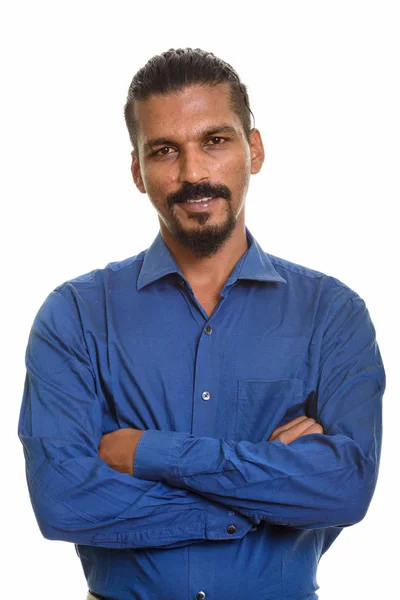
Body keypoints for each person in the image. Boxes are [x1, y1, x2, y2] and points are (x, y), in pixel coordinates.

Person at [18, 47, 385, 600]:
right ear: (138, 172)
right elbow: (62, 500)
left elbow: (346, 491)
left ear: (253, 150)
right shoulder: (74, 316)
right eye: (165, 150)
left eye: (215, 141)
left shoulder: (331, 314)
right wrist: (266, 497)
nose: (193, 173)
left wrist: (147, 453)